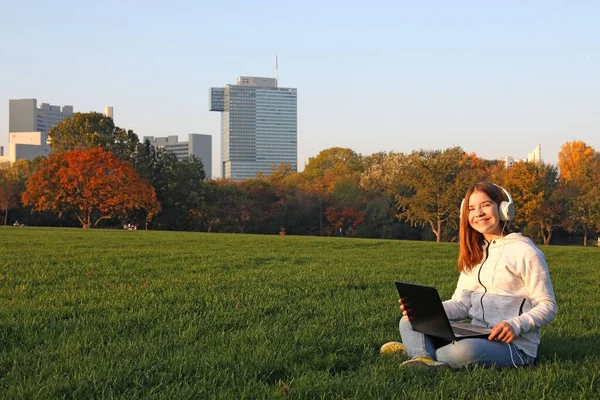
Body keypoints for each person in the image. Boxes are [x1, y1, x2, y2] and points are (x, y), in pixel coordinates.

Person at [380, 182, 558, 369]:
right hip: (478, 333)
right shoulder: (475, 252)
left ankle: (418, 351)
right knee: (408, 321)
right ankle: (423, 356)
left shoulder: (525, 251)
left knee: (464, 351)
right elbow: (462, 304)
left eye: (486, 205)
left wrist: (515, 324)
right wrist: (423, 310)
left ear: (504, 209)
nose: (478, 213)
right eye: (472, 209)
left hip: (513, 345)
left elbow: (548, 305)